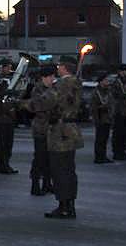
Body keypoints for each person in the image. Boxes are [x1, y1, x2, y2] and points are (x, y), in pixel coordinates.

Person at [44, 56, 83, 219]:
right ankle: (70, 205)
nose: (57, 68)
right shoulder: (76, 83)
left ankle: (64, 206)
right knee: (69, 170)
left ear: (64, 68)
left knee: (59, 170)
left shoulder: (61, 84)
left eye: (59, 65)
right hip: (71, 130)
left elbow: (47, 103)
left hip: (60, 132)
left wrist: (21, 103)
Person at [22, 67, 56, 196]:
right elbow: (39, 105)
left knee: (49, 158)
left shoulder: (52, 88)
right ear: (45, 77)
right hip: (41, 128)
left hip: (50, 128)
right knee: (39, 158)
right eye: (51, 76)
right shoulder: (38, 89)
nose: (53, 79)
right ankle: (35, 185)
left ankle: (47, 184)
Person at [0, 59, 19, 174]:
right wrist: (5, 91)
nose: (9, 69)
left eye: (10, 67)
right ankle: (0, 164)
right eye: (7, 67)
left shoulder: (10, 79)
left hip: (9, 115)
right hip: (1, 114)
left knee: (9, 142)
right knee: (2, 142)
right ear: (2, 67)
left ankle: (6, 163)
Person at [91, 74, 113, 163]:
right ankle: (99, 157)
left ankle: (103, 155)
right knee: (100, 139)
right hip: (100, 117)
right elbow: (93, 107)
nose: (107, 82)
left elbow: (111, 102)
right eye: (106, 80)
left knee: (105, 138)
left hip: (107, 118)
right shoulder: (96, 92)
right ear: (101, 82)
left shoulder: (107, 91)